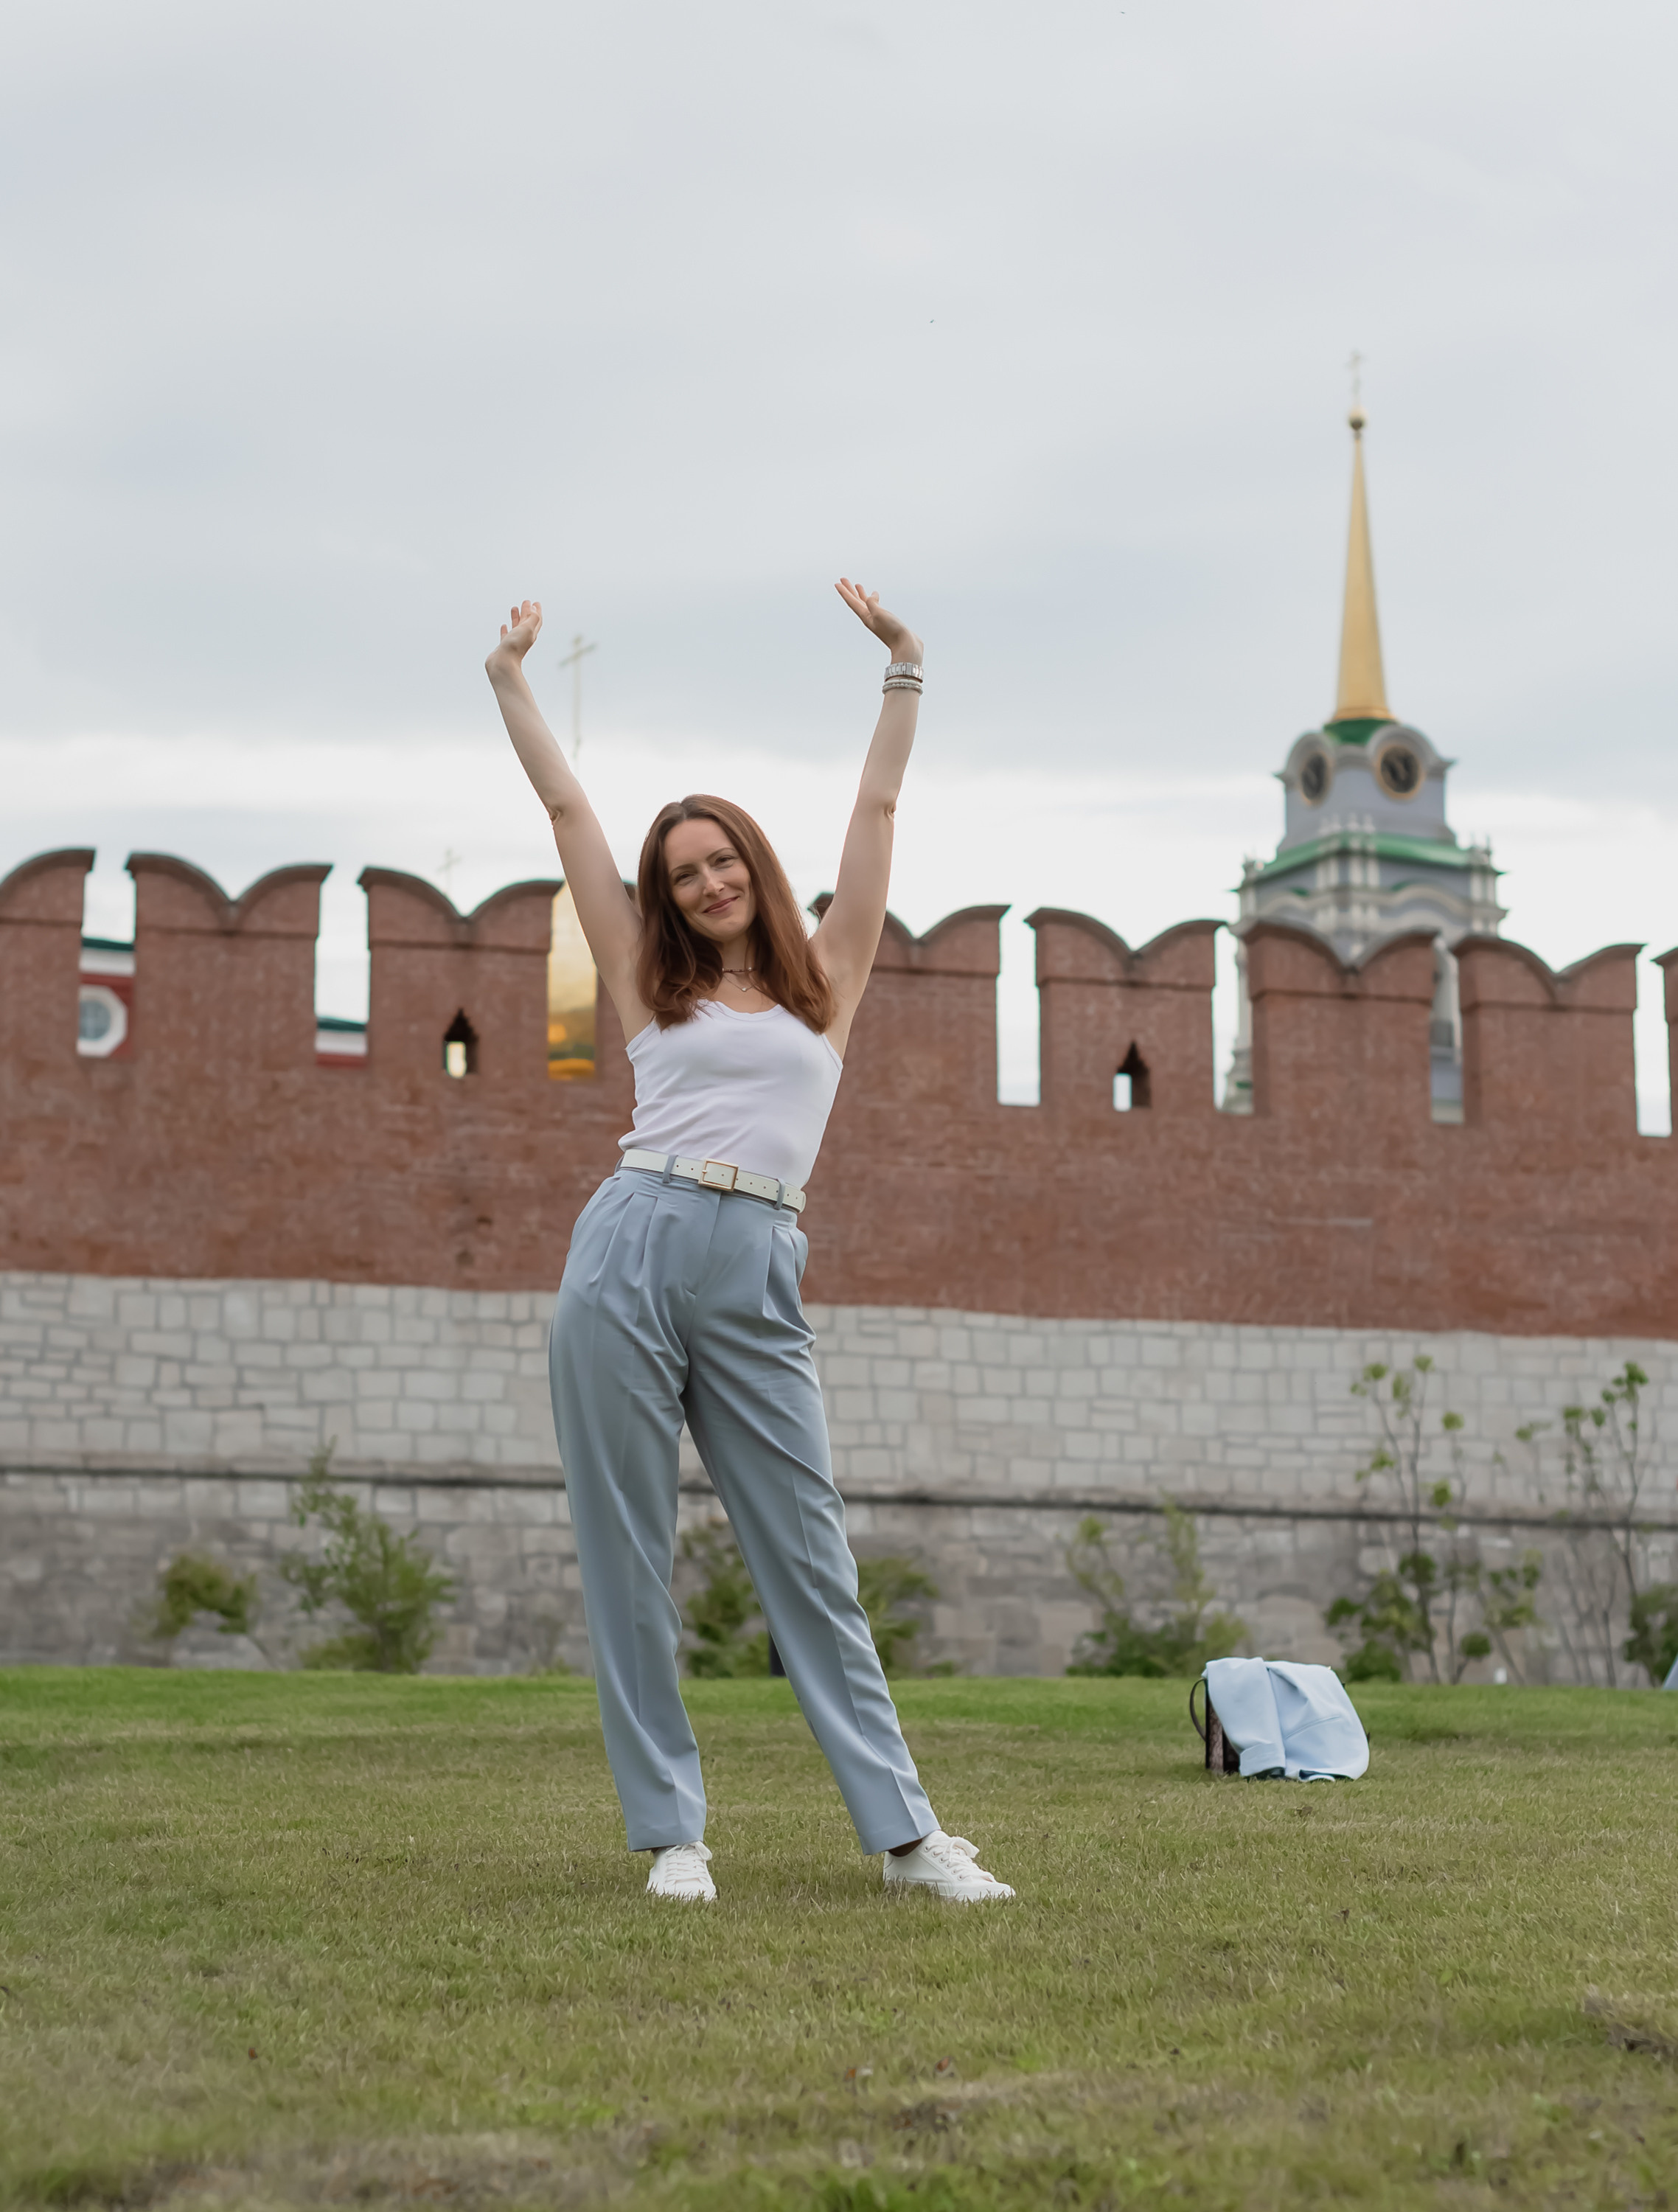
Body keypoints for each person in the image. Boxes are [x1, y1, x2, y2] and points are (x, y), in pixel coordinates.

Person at [484, 583, 1013, 1906]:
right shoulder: (646, 980)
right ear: (665, 897)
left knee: (810, 1554)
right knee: (627, 1550)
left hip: (760, 1261)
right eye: (684, 873)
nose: (708, 883)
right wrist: (510, 679)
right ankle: (673, 1834)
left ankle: (907, 1840)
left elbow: (877, 813)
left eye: (722, 861)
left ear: (755, 868)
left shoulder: (829, 980)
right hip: (630, 1244)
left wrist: (905, 668)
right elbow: (569, 816)